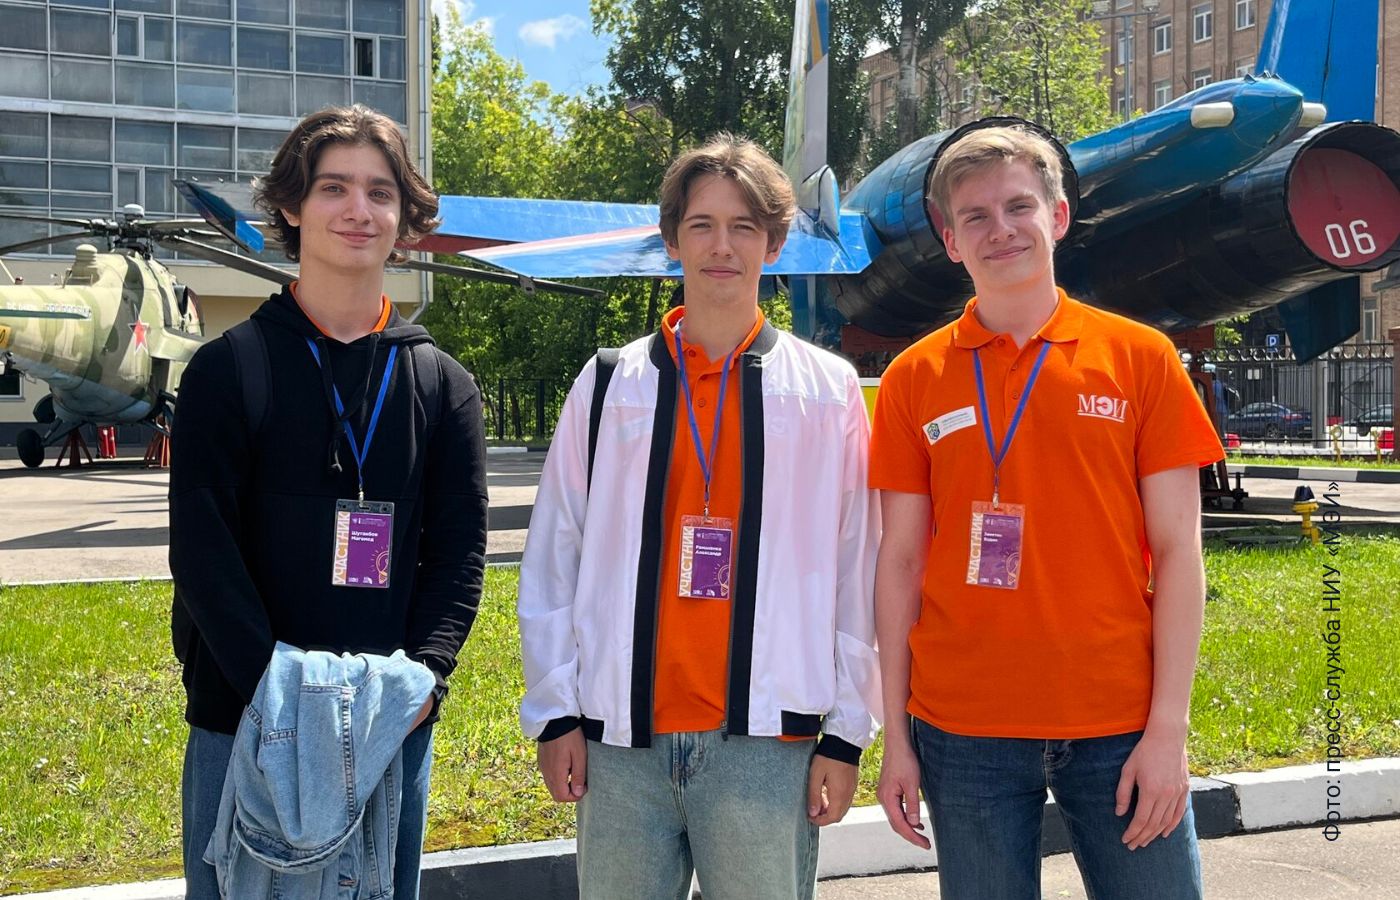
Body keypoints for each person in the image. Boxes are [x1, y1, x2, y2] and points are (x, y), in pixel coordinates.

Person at [517, 133, 881, 900]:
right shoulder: (609, 384)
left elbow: (859, 567)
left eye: (744, 226)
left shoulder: (828, 391)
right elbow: (554, 555)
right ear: (672, 238)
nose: (722, 246)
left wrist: (848, 733)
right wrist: (555, 715)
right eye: (703, 225)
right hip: (621, 745)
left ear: (774, 243)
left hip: (767, 744)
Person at [868, 123, 1224, 900]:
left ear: (1058, 217)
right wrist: (896, 736)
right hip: (964, 728)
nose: (1000, 229)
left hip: (1119, 721)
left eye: (1018, 206)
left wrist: (1168, 729)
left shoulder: (1141, 359)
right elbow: (899, 561)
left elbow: (1178, 551)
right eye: (975, 216)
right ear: (950, 241)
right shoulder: (912, 378)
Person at [168, 105, 489, 900]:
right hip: (244, 721)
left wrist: (424, 682)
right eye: (334, 188)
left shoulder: (442, 385)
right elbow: (203, 552)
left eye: (381, 192)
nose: (359, 210)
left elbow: (459, 554)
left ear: (404, 217)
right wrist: (277, 692)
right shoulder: (226, 370)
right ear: (291, 206)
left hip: (386, 726)